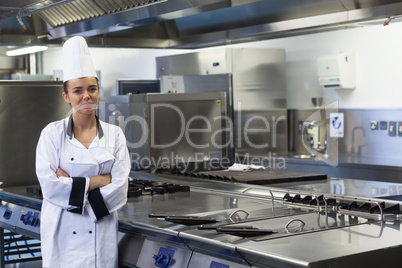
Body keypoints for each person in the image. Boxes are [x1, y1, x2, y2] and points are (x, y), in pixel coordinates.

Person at [35, 36, 130, 268]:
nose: (86, 96)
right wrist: (97, 180)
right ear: (66, 97)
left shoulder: (115, 134)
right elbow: (50, 186)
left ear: (99, 92)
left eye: (92, 89)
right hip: (62, 233)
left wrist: (74, 185)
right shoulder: (52, 134)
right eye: (78, 90)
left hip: (100, 230)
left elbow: (119, 186)